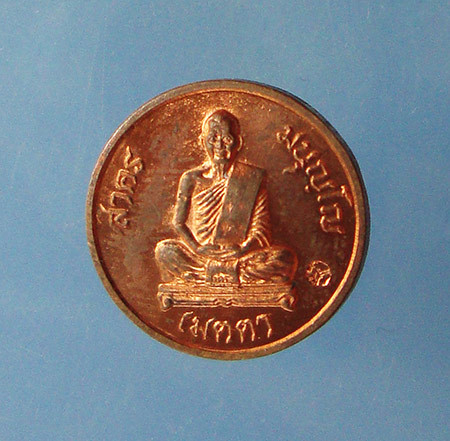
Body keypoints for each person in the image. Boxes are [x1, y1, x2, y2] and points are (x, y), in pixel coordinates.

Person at [155, 109, 297, 285]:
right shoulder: (191, 178)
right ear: (202, 141)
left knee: (285, 258)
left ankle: (204, 277)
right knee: (165, 251)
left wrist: (243, 249)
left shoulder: (252, 179)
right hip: (201, 256)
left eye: (227, 139)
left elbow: (261, 230)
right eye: (213, 138)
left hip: (240, 256)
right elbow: (178, 223)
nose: (219, 146)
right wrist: (198, 248)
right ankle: (224, 275)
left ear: (238, 143)